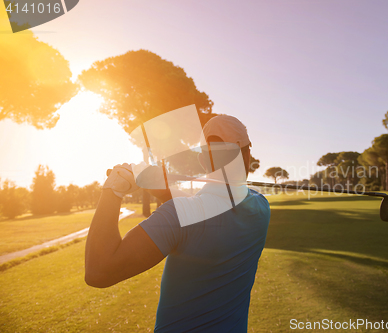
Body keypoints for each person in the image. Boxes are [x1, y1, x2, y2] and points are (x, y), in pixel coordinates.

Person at [85, 115, 271, 332]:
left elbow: (99, 271)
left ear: (202, 160)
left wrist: (113, 188)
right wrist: (155, 182)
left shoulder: (179, 216)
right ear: (248, 155)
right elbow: (200, 209)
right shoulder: (260, 208)